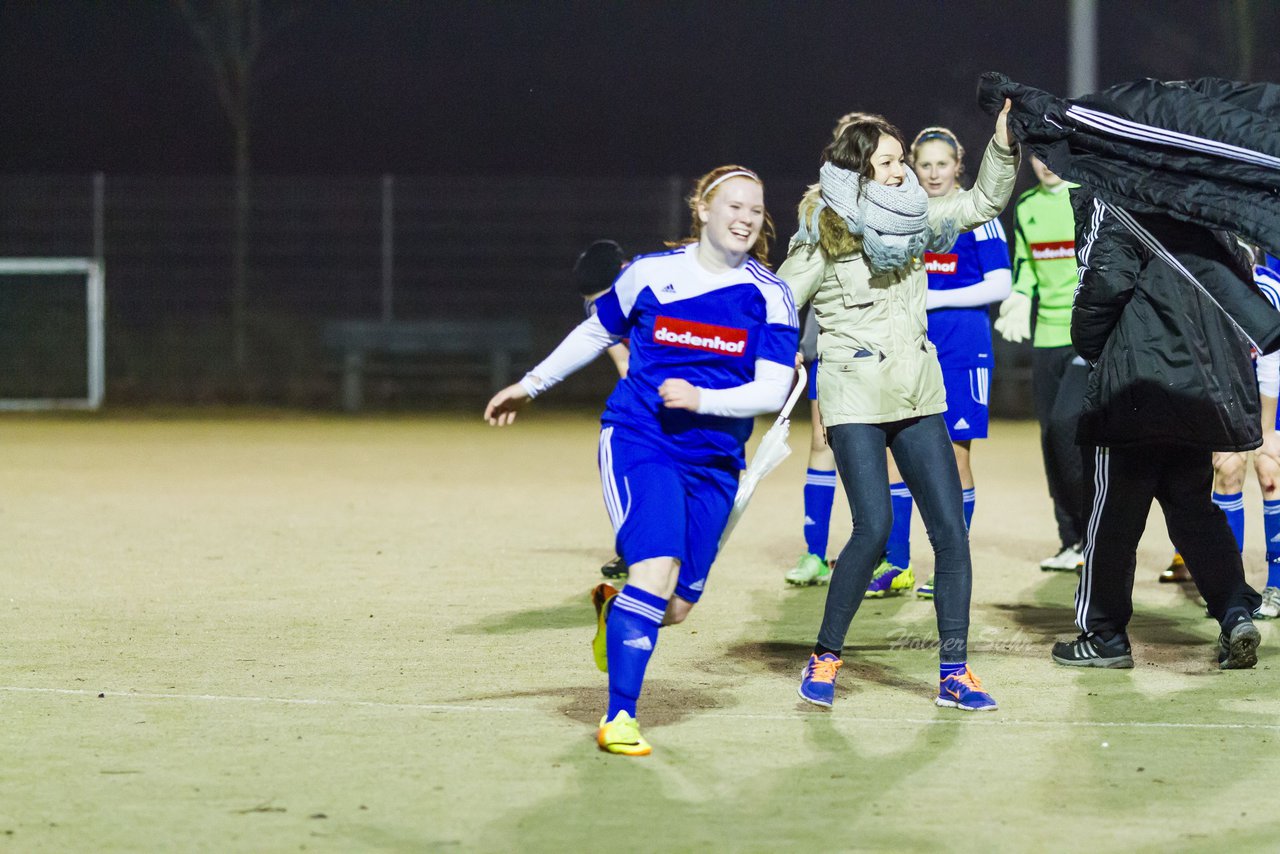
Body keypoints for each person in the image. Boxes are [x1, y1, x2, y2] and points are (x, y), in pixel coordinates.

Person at [485, 165, 799, 755]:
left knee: (676, 607)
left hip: (715, 461)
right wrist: (532, 384)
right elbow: (596, 332)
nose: (744, 219)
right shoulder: (649, 275)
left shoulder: (770, 295)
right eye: (732, 206)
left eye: (755, 211)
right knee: (654, 574)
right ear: (702, 210)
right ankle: (620, 717)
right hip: (642, 438)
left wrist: (705, 398)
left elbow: (772, 389)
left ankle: (614, 609)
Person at [779, 101, 1019, 711]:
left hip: (918, 390)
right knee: (874, 528)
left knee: (951, 537)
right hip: (854, 394)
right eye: (888, 161)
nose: (901, 170)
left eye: (899, 160)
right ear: (860, 168)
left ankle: (954, 673)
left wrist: (1001, 146)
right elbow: (779, 299)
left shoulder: (917, 218)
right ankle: (826, 655)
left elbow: (982, 204)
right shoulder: (824, 229)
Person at [1051, 189, 1263, 670]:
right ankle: (1233, 611)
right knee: (1193, 509)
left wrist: (1087, 342)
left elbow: (1105, 279)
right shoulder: (1200, 201)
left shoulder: (1117, 194)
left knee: (1111, 517)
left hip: (1133, 384)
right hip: (1195, 384)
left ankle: (1103, 635)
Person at [868, 126, 1013, 600]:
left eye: (941, 164)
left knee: (955, 457)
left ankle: (952, 563)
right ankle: (897, 563)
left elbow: (1000, 285)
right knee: (896, 453)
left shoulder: (978, 214)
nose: (932, 173)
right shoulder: (903, 213)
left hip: (963, 347)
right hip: (910, 346)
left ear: (958, 165)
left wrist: (933, 297)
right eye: (924, 164)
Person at [1157, 258, 1280, 590]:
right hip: (1232, 391)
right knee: (1226, 468)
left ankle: (1278, 586)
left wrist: (1267, 432)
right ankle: (1230, 589)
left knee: (1271, 470)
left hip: (1272, 390)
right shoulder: (1206, 289)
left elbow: (1271, 360)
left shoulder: (1266, 289)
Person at [995, 155, 1087, 572]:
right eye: (1038, 154)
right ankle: (1070, 541)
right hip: (1046, 339)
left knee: (1070, 431)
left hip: (1085, 338)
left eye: (1054, 154)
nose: (1046, 163)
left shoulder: (1086, 197)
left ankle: (1093, 535)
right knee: (1051, 438)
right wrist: (1020, 295)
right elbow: (1027, 265)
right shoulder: (1028, 206)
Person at [572, 239, 633, 583]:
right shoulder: (598, 305)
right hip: (648, 384)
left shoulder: (647, 288)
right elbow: (624, 362)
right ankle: (632, 547)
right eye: (591, 304)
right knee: (619, 452)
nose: (597, 309)